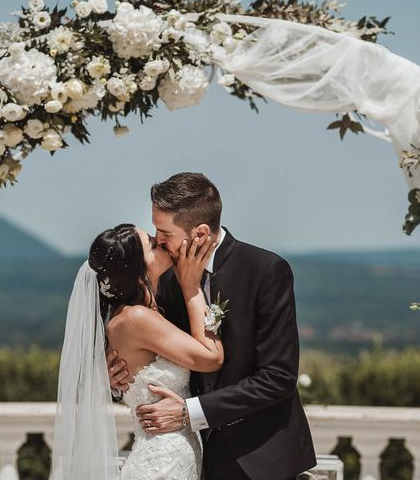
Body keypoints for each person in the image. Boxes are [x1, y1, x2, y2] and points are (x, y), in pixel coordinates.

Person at [109, 172, 317, 480]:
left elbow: (278, 377)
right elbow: (150, 354)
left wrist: (190, 413)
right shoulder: (161, 279)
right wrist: (117, 377)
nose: (159, 241)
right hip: (191, 459)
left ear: (201, 232)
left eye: (164, 231)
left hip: (262, 458)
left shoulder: (265, 271)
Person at [51, 222, 222, 480]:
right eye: (152, 244)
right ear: (138, 271)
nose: (161, 242)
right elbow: (211, 358)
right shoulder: (137, 318)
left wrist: (113, 384)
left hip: (171, 456)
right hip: (162, 462)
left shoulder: (136, 313)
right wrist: (192, 287)